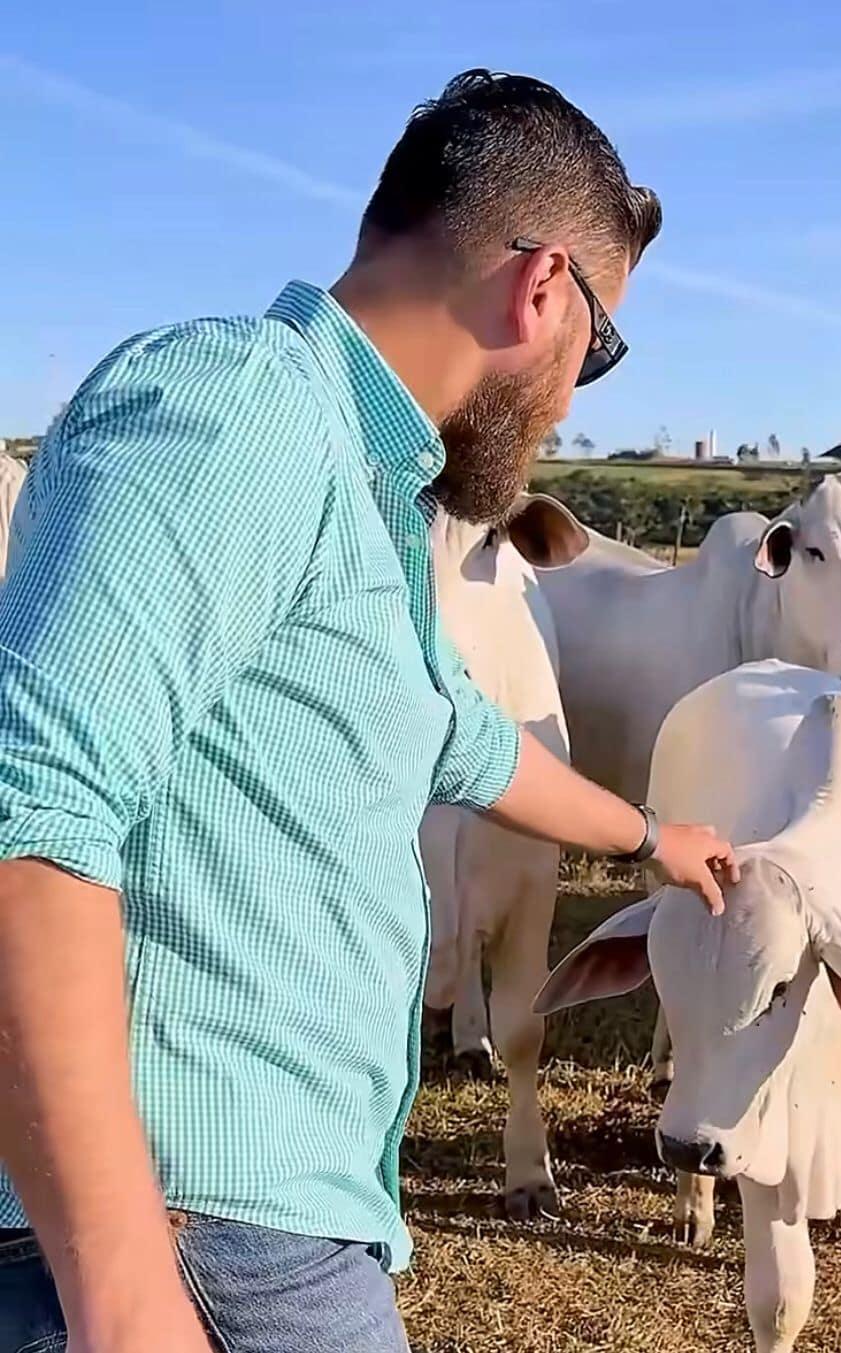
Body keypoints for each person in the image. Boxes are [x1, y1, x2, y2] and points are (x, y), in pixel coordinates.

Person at [0, 70, 737, 1353]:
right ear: (544, 287)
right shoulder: (242, 413)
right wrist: (122, 1295)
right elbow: (27, 810)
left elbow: (453, 729)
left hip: (260, 1232)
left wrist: (650, 838)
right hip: (194, 1241)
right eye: (600, 348)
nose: (572, 400)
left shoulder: (362, 484)